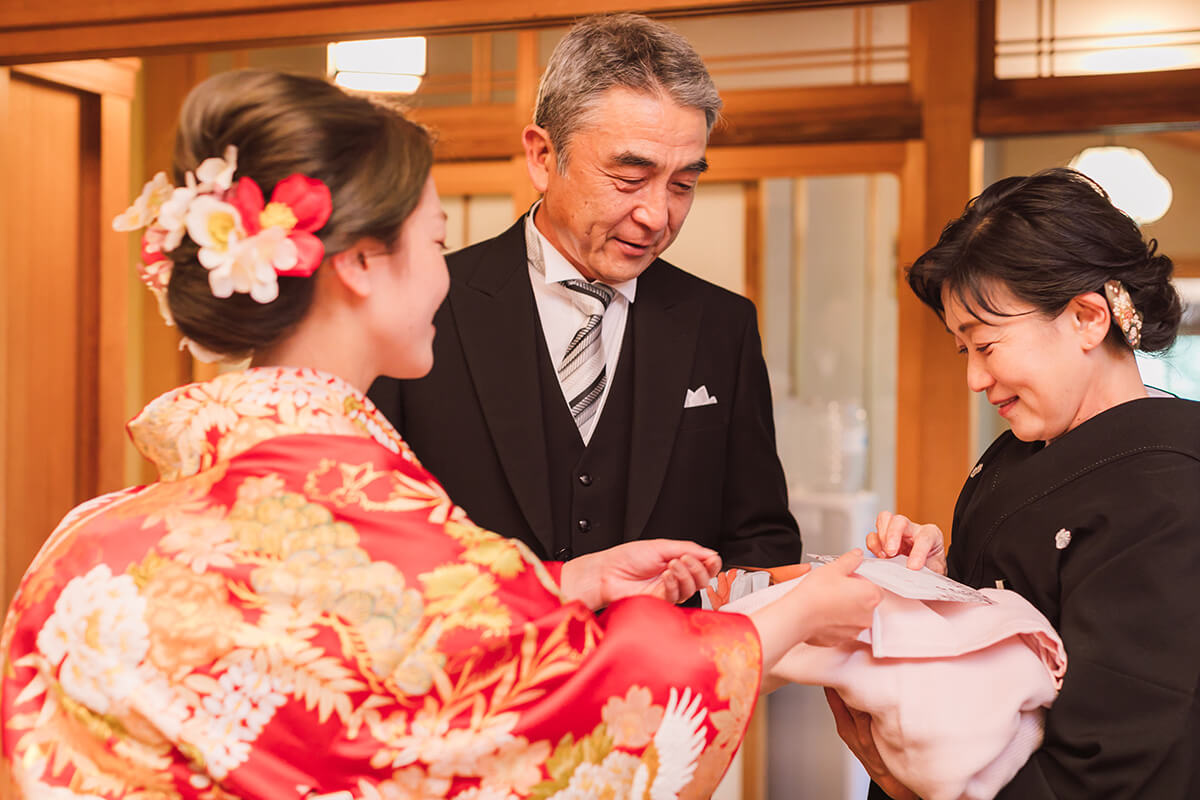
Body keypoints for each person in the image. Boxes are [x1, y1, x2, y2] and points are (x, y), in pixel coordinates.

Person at [0, 69, 883, 800]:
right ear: (358, 264)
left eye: (683, 182)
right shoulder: (388, 522)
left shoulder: (87, 540)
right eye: (435, 238)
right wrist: (798, 615)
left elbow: (400, 630)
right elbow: (543, 728)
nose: (446, 274)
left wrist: (566, 581)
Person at [368, 13, 803, 571]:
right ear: (543, 157)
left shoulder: (722, 323)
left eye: (683, 184)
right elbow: (374, 535)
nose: (656, 216)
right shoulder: (426, 303)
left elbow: (760, 539)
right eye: (629, 177)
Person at [832, 167, 1200, 799]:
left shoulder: (1168, 486)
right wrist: (932, 583)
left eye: (987, 345)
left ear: (1087, 317)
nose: (975, 379)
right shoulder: (1019, 453)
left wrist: (909, 785)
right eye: (962, 351)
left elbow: (1115, 752)